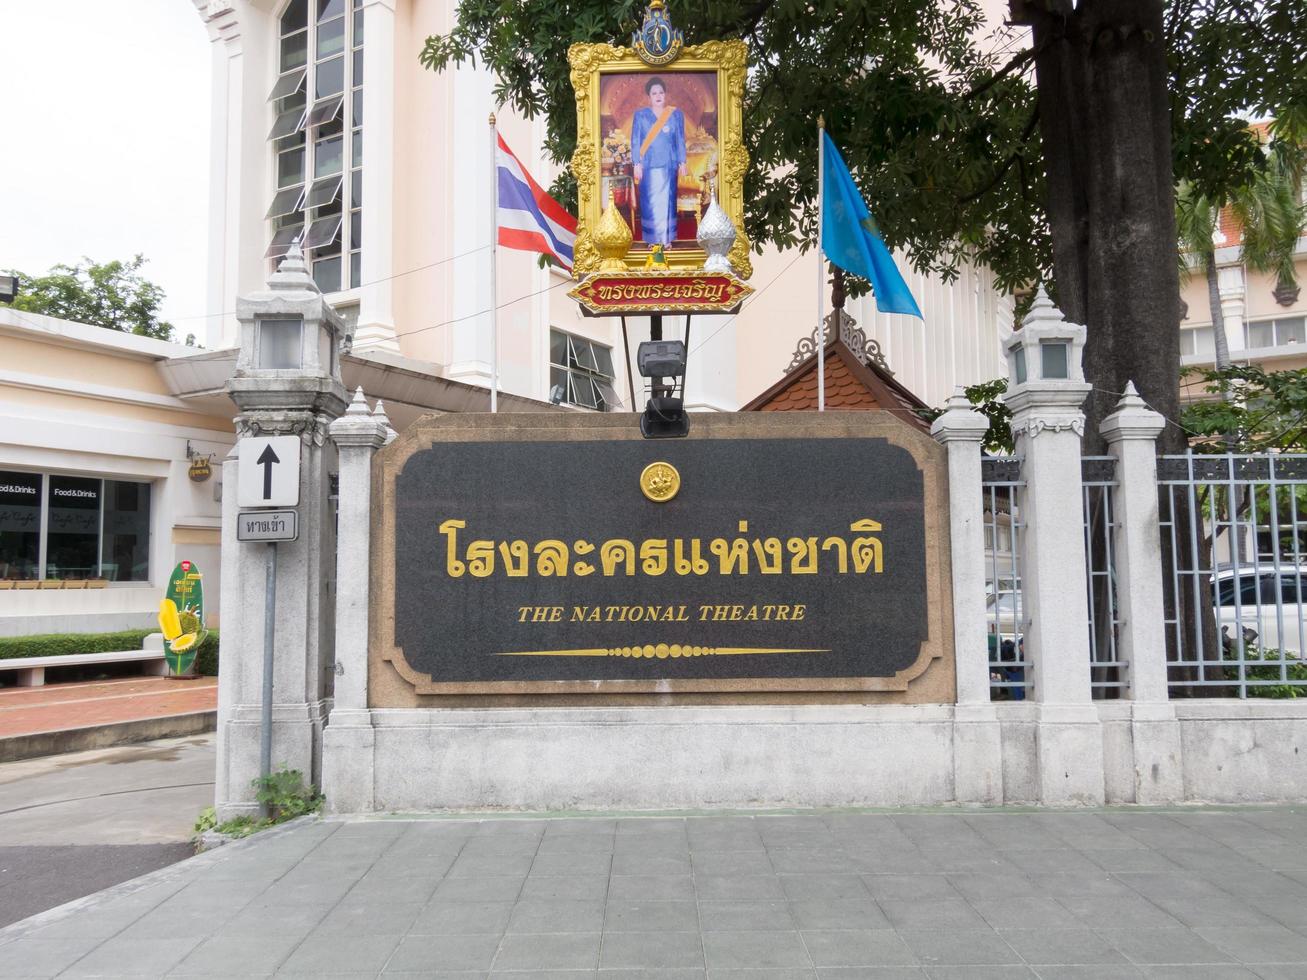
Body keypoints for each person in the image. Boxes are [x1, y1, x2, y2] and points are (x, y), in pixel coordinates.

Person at [630, 76, 687, 247]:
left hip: (668, 165)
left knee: (668, 202)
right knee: (650, 203)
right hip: (648, 165)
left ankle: (666, 239)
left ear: (665, 94)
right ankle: (653, 239)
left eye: (661, 92)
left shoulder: (675, 115)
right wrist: (636, 163)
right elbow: (635, 140)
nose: (658, 95)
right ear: (649, 96)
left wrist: (682, 161)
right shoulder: (641, 116)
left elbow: (680, 139)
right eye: (654, 93)